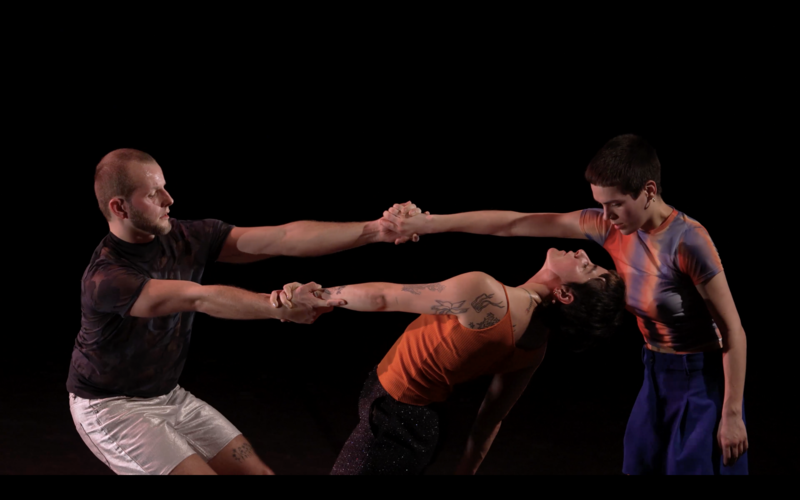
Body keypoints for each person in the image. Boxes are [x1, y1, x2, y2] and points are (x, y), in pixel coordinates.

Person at [379, 134, 748, 475]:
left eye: (616, 205)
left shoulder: (688, 241)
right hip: (656, 372)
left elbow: (733, 330)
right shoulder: (611, 227)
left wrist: (732, 413)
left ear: (648, 191)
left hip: (703, 378)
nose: (606, 215)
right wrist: (427, 224)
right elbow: (513, 224)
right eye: (601, 204)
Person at [69, 148, 419, 475]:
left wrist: (376, 230)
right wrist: (278, 307)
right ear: (119, 208)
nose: (168, 199)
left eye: (164, 187)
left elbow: (283, 238)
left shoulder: (186, 237)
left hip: (168, 396)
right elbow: (198, 298)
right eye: (152, 194)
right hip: (112, 408)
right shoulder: (107, 278)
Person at [277, 247, 626, 474]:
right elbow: (490, 420)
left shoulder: (486, 294)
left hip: (395, 418)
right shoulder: (535, 348)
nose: (582, 253)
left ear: (564, 294)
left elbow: (384, 297)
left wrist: (317, 297)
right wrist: (466, 471)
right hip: (416, 424)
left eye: (587, 267)